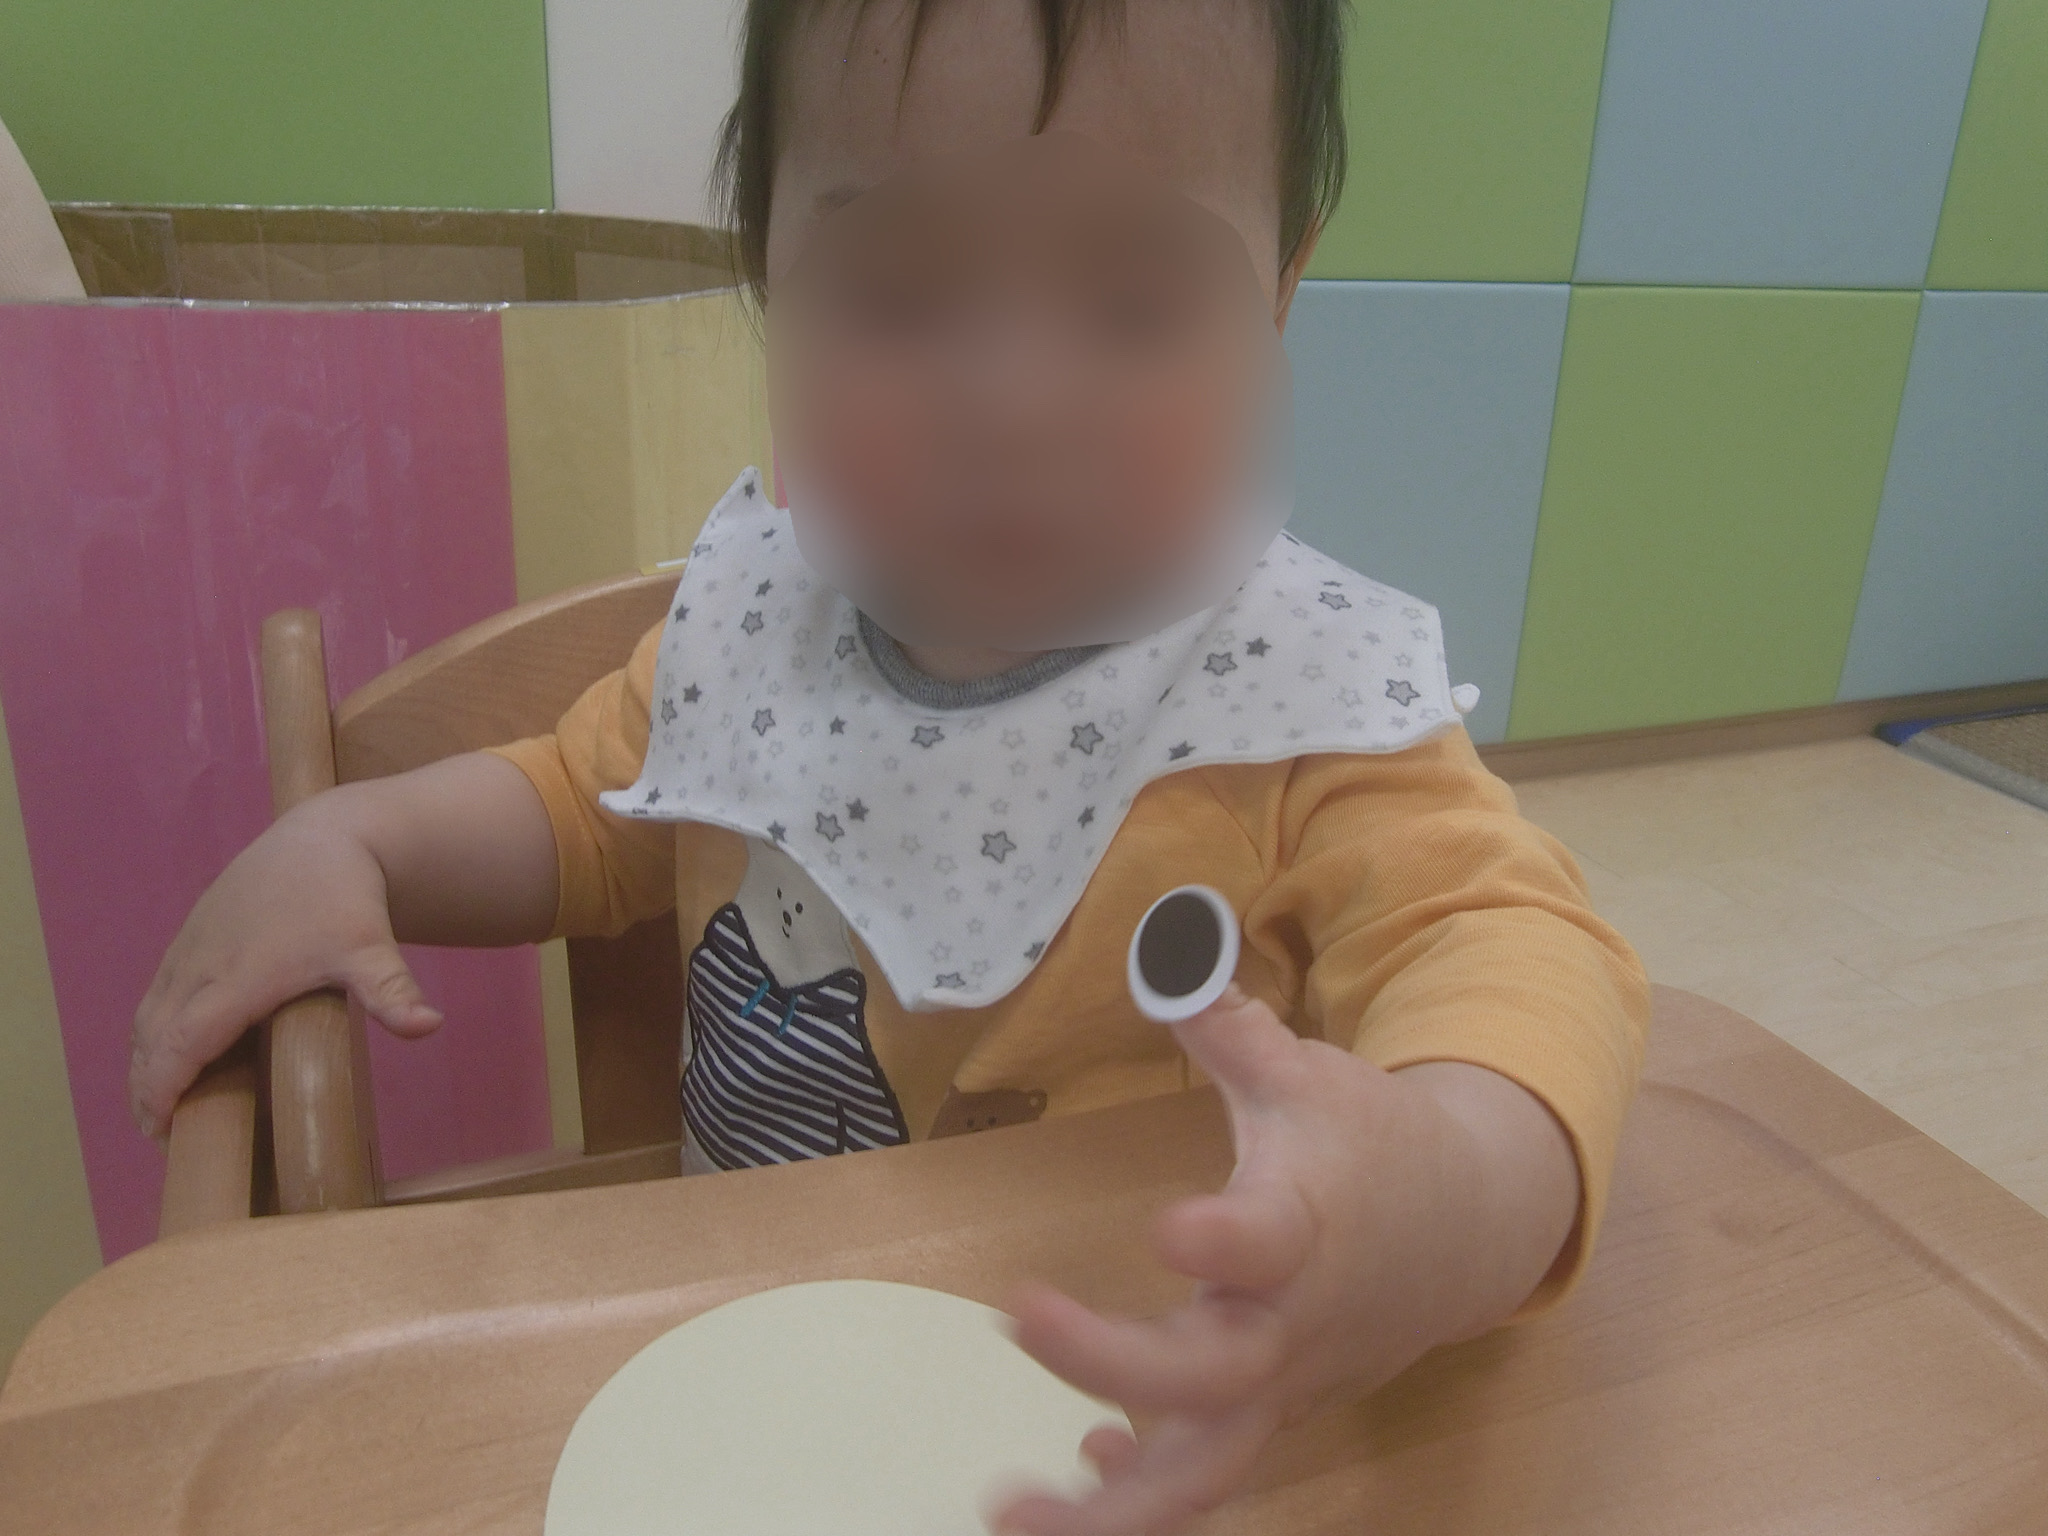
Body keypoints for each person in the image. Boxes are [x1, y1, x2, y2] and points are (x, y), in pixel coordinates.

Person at [130, 3, 1648, 1531]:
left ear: (1276, 295)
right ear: (770, 282)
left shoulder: (1296, 708)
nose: (1014, 405)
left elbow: (1511, 946)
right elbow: (582, 812)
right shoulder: (760, 628)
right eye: (901, 295)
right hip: (748, 1393)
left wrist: (1453, 1184)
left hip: (1129, 1434)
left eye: (1133, 307)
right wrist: (362, 845)